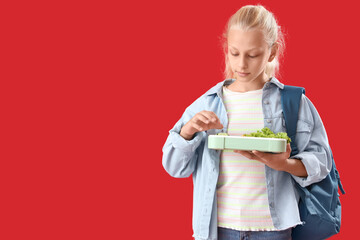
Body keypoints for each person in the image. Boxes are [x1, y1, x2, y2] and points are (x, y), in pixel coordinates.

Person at [162, 4, 332, 240]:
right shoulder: (206, 104)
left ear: (272, 52)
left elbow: (322, 162)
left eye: (253, 55)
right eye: (234, 53)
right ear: (226, 49)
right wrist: (188, 131)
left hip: (274, 230)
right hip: (217, 229)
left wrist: (284, 164)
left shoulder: (294, 103)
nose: (241, 64)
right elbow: (174, 167)